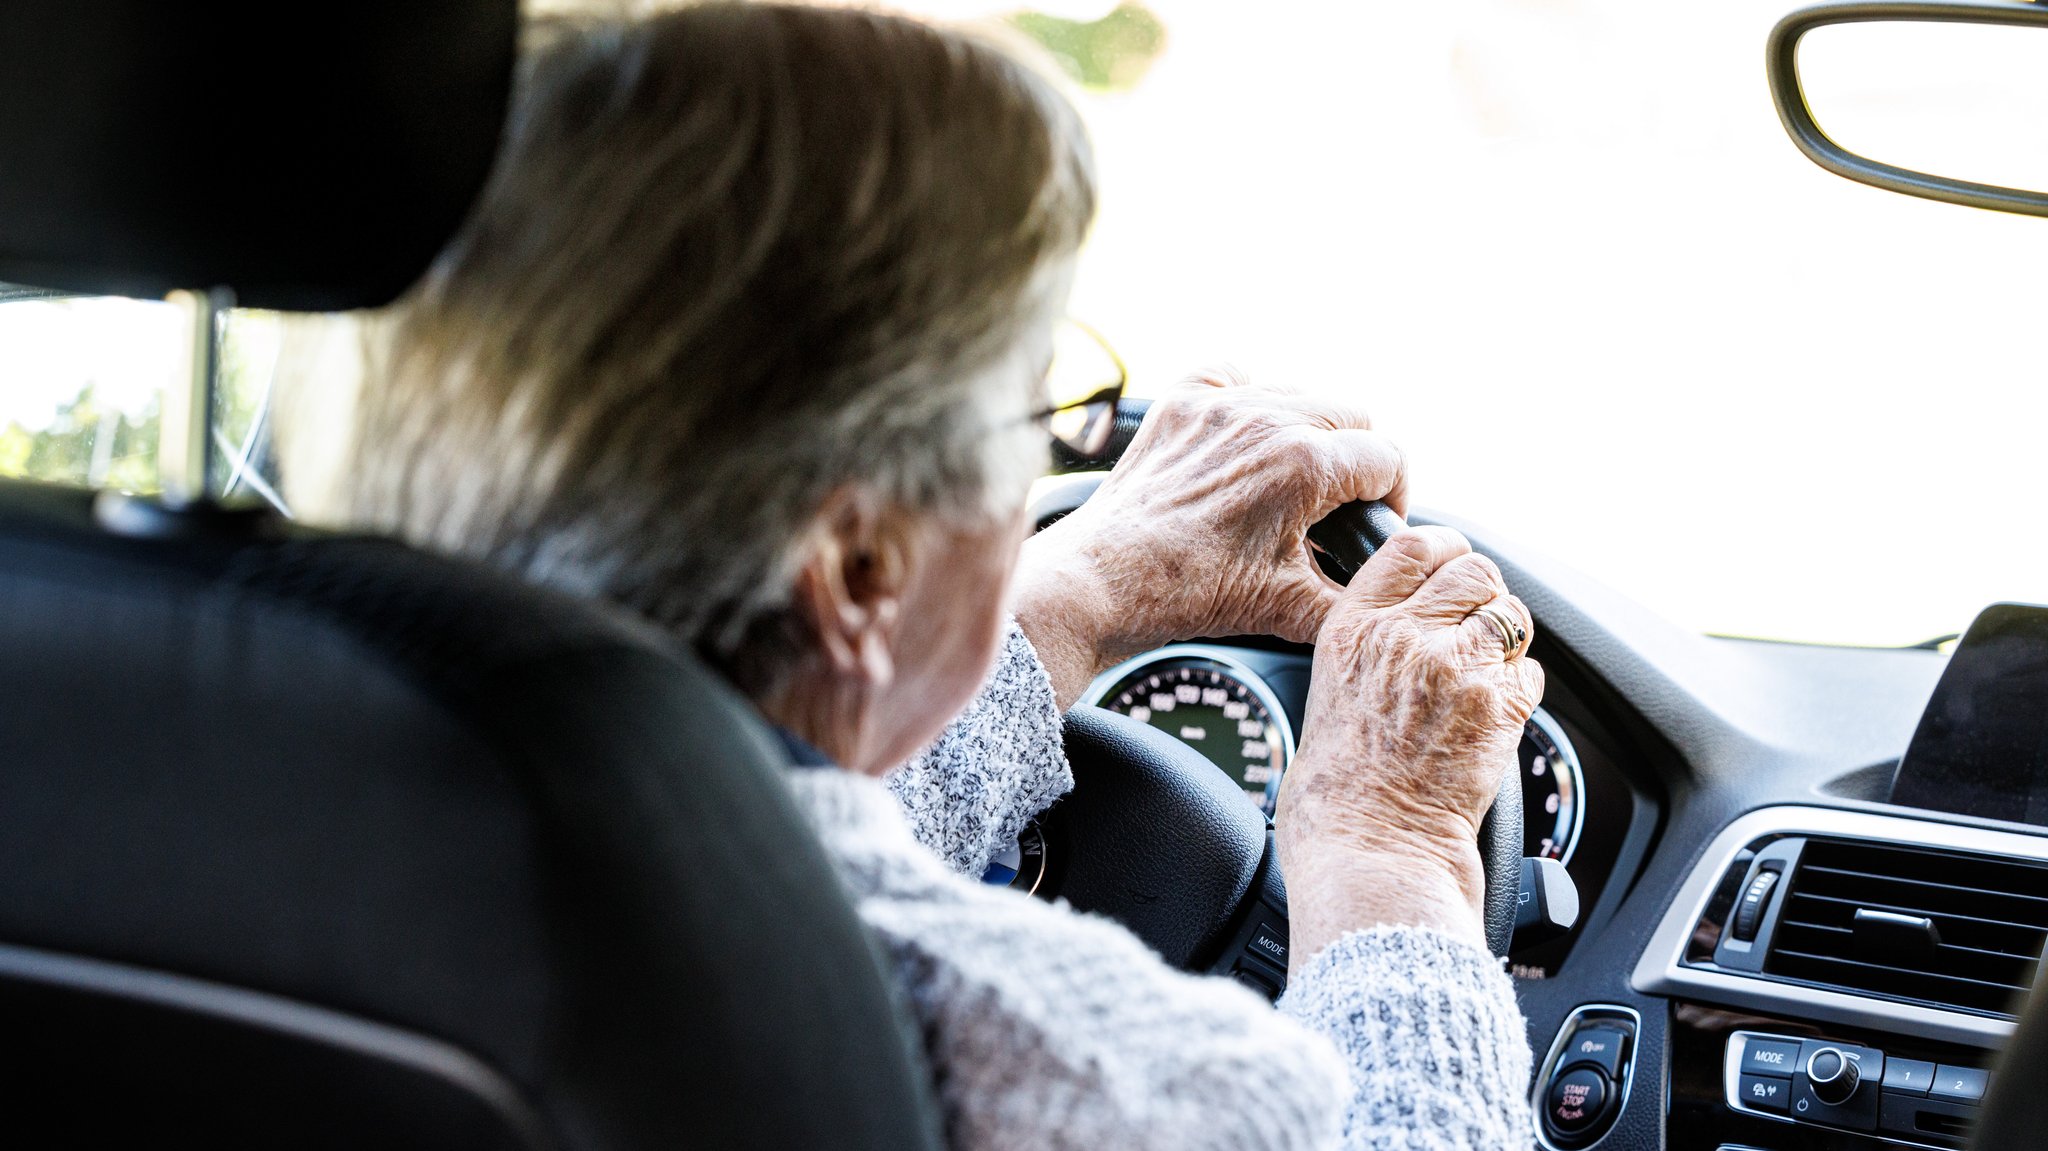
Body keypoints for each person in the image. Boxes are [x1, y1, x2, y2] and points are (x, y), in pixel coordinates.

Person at [286, 5, 1545, 1148]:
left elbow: (756, 832)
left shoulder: (200, 794)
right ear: (855, 567)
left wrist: (1085, 587)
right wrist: (1393, 846)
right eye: (1031, 411)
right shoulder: (1103, 1078)